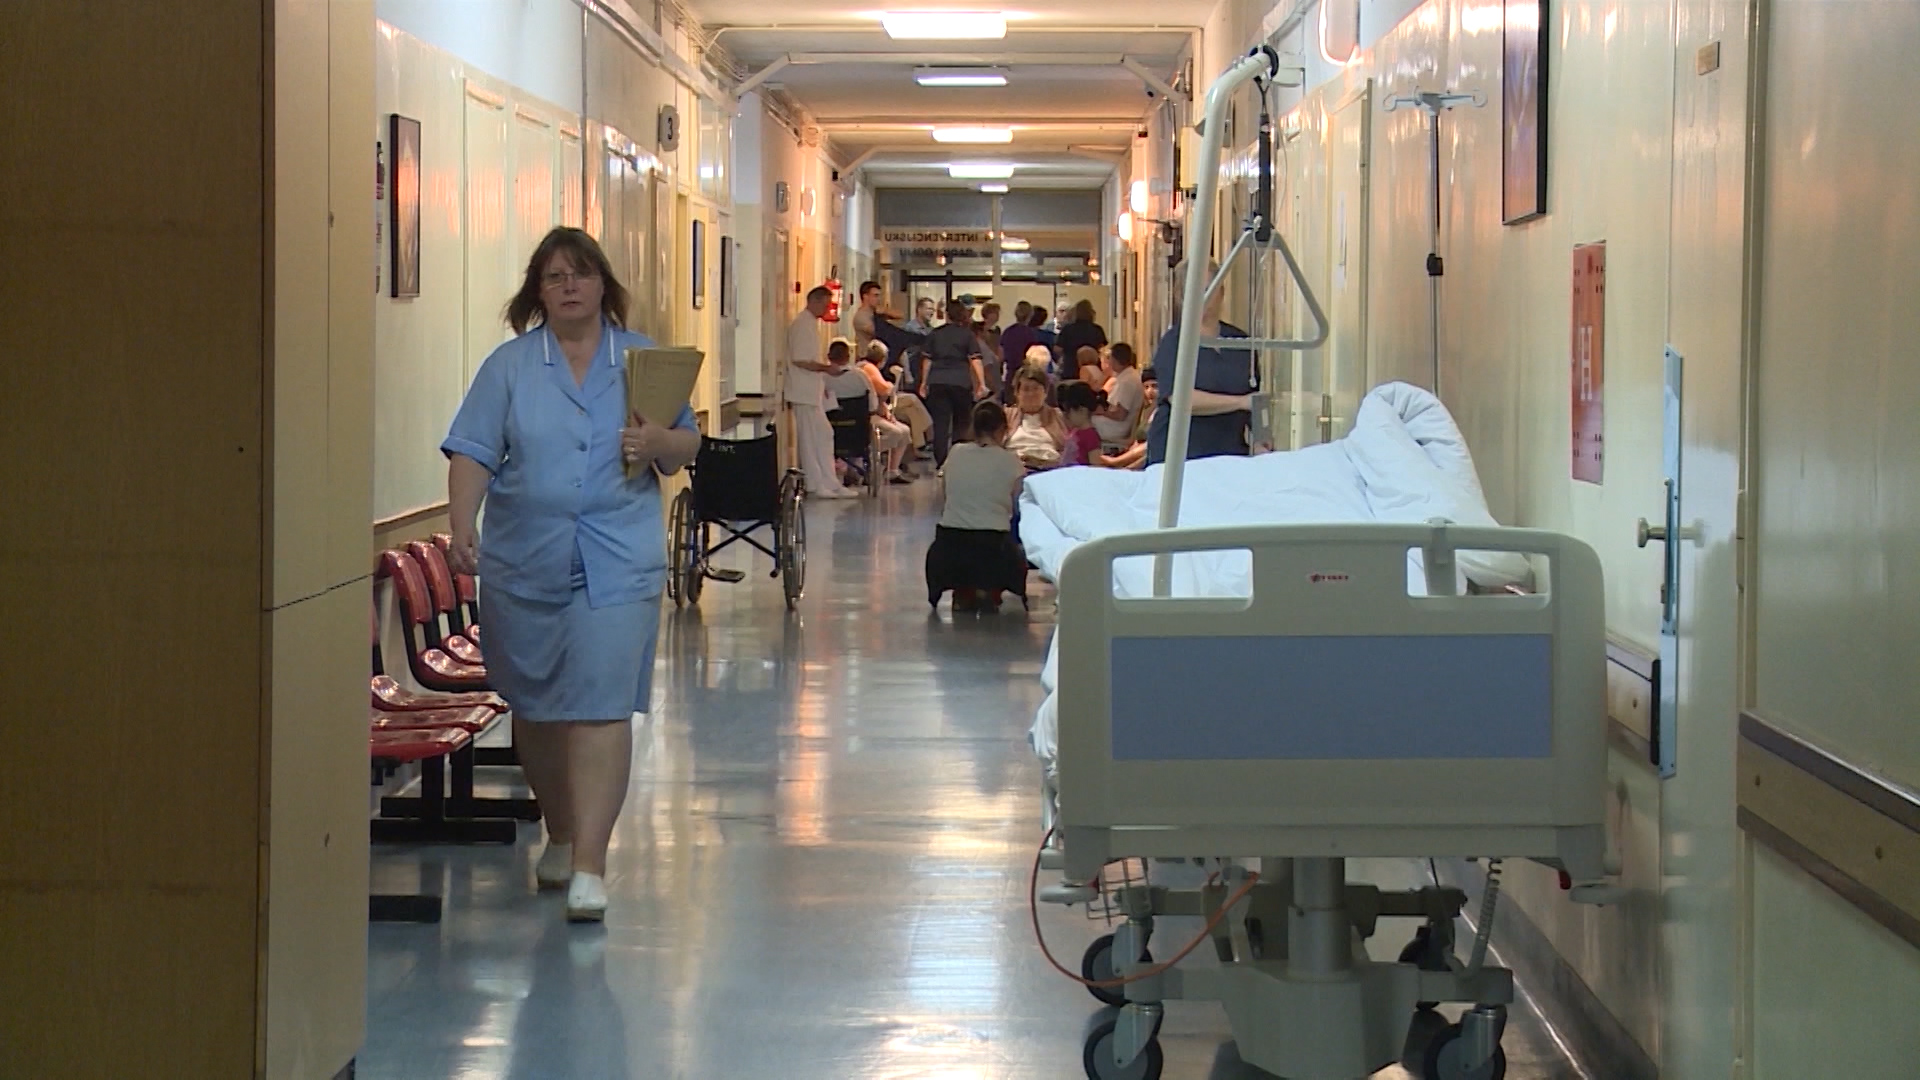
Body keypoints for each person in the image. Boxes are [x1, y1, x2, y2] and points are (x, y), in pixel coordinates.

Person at [441, 226, 701, 923]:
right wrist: (462, 523)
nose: (568, 287)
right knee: (537, 707)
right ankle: (559, 831)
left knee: (601, 705)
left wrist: (659, 441)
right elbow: (472, 451)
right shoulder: (509, 367)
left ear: (602, 285)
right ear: (538, 291)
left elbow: (686, 443)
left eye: (580, 274)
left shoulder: (642, 359)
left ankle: (591, 864)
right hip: (524, 559)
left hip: (617, 559)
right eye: (554, 277)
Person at [1145, 261, 1257, 466]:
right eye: (1194, 291)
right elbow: (1181, 398)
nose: (1203, 298)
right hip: (1179, 456)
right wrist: (1240, 402)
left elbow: (1255, 398)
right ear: (1181, 296)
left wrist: (1260, 440)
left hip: (1228, 454)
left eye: (1208, 289)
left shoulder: (1240, 342)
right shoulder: (1174, 342)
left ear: (1221, 292)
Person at [924, 401, 1028, 612]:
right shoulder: (1011, 461)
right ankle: (989, 590)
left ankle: (963, 590)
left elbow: (946, 495)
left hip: (950, 544)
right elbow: (1019, 504)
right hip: (993, 546)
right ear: (1002, 429)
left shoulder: (956, 452)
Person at [785, 285, 859, 498]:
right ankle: (815, 484)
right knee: (810, 440)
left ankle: (830, 481)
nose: (827, 310)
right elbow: (800, 359)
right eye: (825, 305)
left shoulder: (810, 324)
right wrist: (827, 369)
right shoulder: (801, 325)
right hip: (803, 392)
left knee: (824, 435)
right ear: (814, 301)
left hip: (812, 391)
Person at [826, 338, 912, 484]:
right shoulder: (859, 376)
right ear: (848, 356)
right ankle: (873, 460)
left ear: (828, 357)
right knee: (896, 432)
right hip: (859, 424)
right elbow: (872, 404)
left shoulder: (822, 377)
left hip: (831, 425)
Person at [917, 299, 988, 469]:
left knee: (940, 423)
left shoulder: (935, 334)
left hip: (938, 381)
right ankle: (958, 460)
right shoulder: (967, 335)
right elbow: (975, 360)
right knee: (961, 423)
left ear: (947, 315)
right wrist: (981, 383)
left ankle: (941, 462)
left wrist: (924, 382)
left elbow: (927, 360)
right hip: (960, 382)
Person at [871, 340, 932, 457]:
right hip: (882, 402)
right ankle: (930, 432)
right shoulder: (870, 368)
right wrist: (892, 383)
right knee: (912, 399)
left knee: (911, 411)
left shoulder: (876, 368)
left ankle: (918, 446)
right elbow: (885, 391)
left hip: (886, 400)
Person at [1003, 364, 1067, 469]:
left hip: (1049, 468)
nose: (1031, 394)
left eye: (1036, 388)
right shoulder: (1006, 415)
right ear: (1017, 393)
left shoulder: (1058, 416)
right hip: (1014, 467)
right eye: (1026, 389)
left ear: (1045, 392)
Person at [1091, 342, 1144, 452]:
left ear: (1115, 360)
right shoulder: (1128, 376)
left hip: (1117, 427)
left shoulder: (1127, 382)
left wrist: (1101, 412)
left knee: (1081, 420)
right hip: (1119, 424)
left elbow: (1120, 415)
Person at [1053, 380, 1106, 467]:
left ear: (1082, 410)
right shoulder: (1075, 431)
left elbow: (1096, 465)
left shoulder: (1090, 436)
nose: (1066, 416)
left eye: (1068, 412)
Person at [999, 300, 1039, 397]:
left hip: (1010, 374)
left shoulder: (1008, 332)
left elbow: (1001, 355)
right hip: (1025, 374)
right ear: (1030, 315)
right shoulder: (1030, 334)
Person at [1054, 298, 1107, 371]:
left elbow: (1057, 349)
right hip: (1093, 369)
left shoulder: (1068, 329)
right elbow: (1103, 349)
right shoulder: (1097, 329)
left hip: (1070, 367)